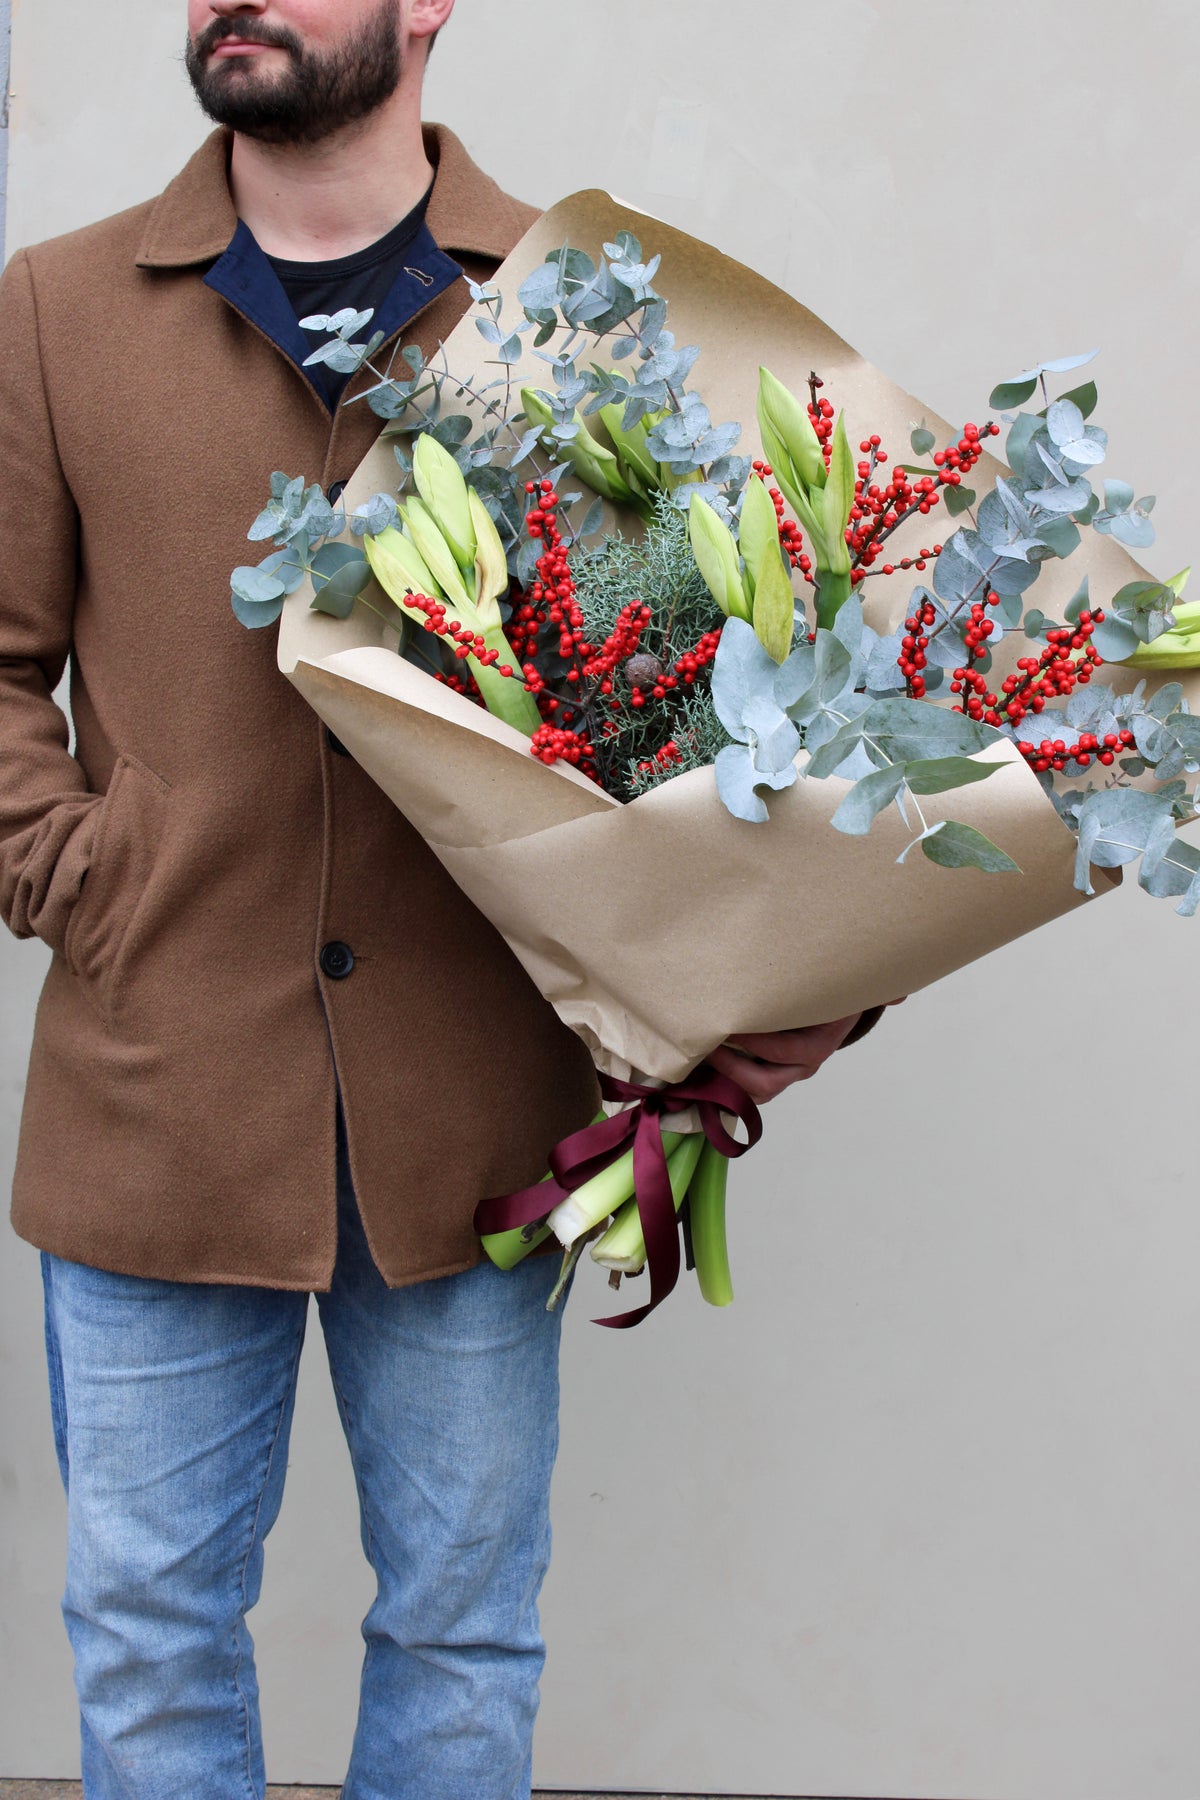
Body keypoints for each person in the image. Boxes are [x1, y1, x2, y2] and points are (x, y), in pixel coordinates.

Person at [0, 2, 875, 1793]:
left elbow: (751, 680)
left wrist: (794, 971)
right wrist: (88, 877)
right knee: (148, 1630)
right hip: (156, 1090)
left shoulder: (584, 307)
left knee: (465, 1627)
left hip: (476, 1119)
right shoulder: (55, 307)